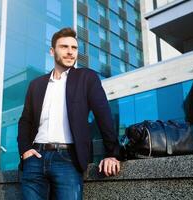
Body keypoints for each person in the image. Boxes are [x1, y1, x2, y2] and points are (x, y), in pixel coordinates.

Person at [17, 27, 121, 200]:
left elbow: (103, 115)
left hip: (68, 160)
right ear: (52, 51)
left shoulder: (86, 77)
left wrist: (112, 153)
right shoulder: (37, 84)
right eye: (64, 47)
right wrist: (25, 150)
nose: (70, 52)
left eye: (74, 48)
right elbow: (25, 121)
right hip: (35, 158)